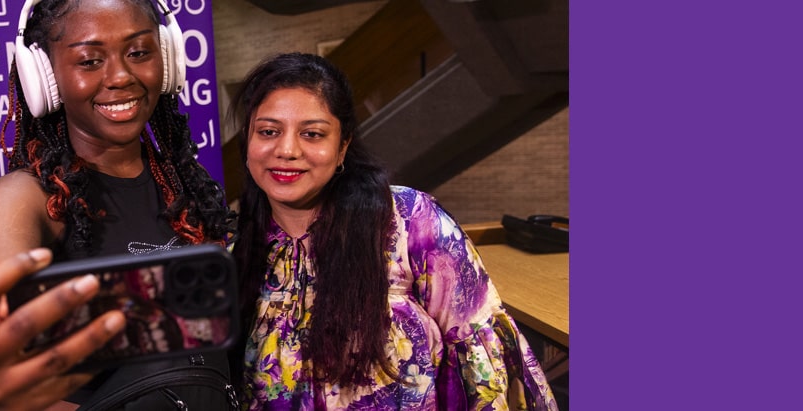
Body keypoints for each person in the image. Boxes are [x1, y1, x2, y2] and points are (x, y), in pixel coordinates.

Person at [0, 0, 236, 409]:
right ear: (43, 76)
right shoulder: (16, 203)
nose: (120, 76)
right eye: (90, 60)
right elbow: (6, 380)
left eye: (138, 52)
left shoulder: (180, 181)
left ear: (166, 57)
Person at [229, 52, 557, 410]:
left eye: (312, 134)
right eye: (268, 131)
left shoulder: (409, 222)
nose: (287, 150)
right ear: (248, 141)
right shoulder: (234, 249)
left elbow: (483, 369)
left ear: (342, 147)